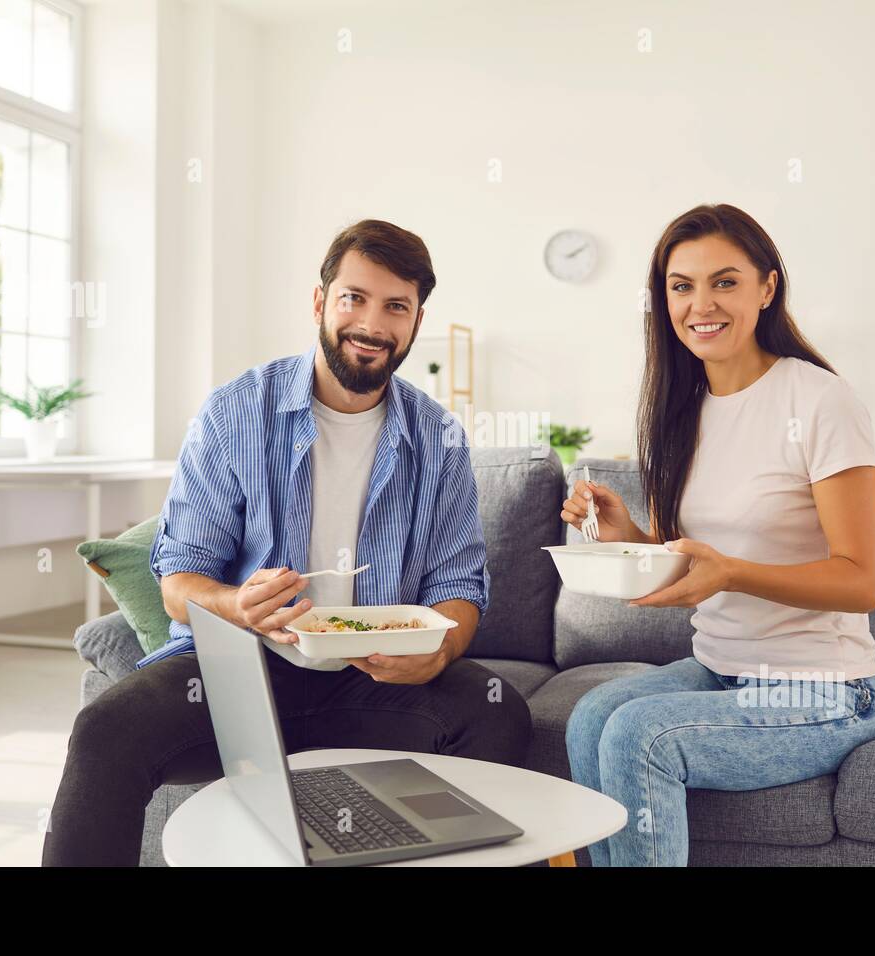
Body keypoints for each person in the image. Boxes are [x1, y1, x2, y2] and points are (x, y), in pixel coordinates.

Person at [43, 219, 531, 866]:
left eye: (396, 306)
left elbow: (459, 588)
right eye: (354, 297)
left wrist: (439, 653)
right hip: (236, 671)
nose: (372, 323)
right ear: (320, 302)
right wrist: (234, 606)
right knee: (107, 729)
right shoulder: (233, 414)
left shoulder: (438, 438)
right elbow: (180, 581)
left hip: (370, 680)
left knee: (497, 714)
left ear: (415, 321)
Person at [561, 203, 875, 867]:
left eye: (725, 281)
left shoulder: (821, 402)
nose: (700, 304)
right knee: (590, 716)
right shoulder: (683, 410)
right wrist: (627, 532)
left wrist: (734, 572)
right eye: (681, 286)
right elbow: (694, 557)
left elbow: (862, 581)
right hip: (722, 670)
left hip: (829, 689)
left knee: (639, 734)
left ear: (766, 288)